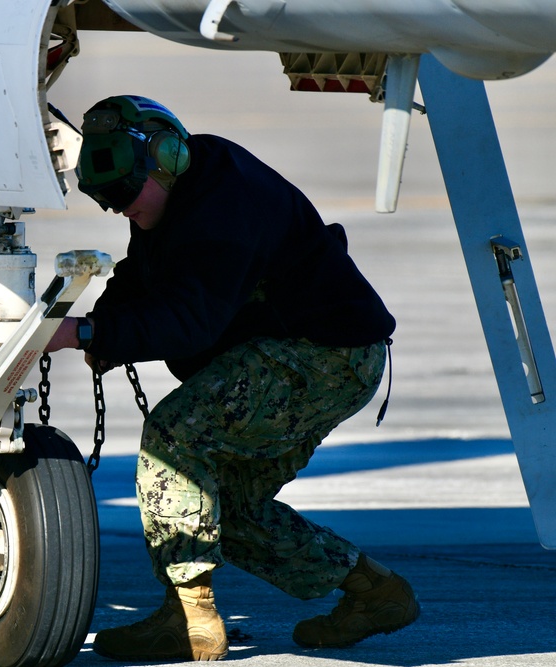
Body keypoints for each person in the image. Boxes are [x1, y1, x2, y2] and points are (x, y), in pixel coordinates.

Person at [45, 95, 419, 662]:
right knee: (229, 508)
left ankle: (189, 619)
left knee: (174, 440)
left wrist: (90, 335)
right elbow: (142, 275)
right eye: (105, 199)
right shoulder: (177, 196)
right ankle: (375, 591)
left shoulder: (222, 206)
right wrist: (100, 326)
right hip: (318, 355)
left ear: (166, 159)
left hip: (322, 355)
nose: (118, 209)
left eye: (123, 193)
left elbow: (191, 320)